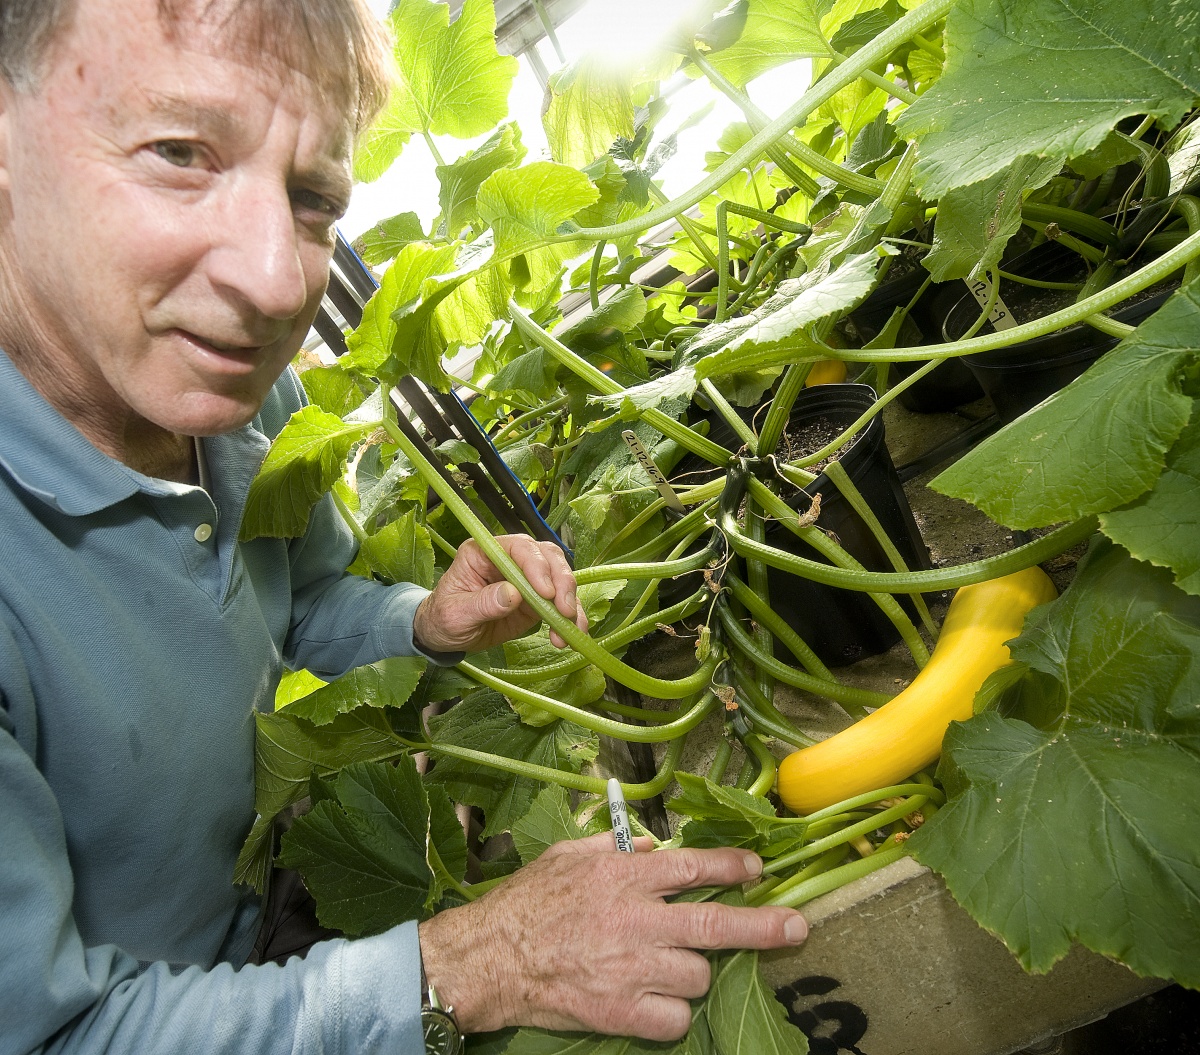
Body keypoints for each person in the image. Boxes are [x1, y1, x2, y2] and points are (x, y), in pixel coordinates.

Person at [0, 0, 809, 1052]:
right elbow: (50, 1035)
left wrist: (425, 621)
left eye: (311, 197)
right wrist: (475, 961)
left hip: (261, 919)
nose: (279, 279)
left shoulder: (239, 394)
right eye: (180, 152)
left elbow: (307, 597)